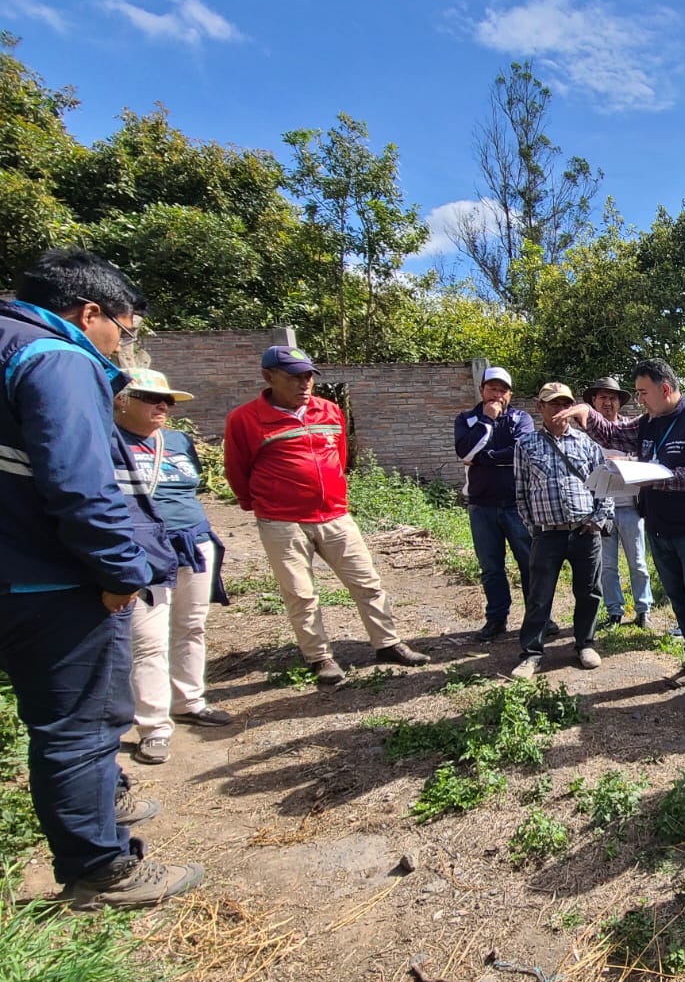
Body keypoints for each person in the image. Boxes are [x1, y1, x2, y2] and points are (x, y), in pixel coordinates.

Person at [0, 248, 203, 910]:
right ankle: (100, 869)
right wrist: (119, 571)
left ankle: (98, 812)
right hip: (51, 579)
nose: (123, 343)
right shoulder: (56, 357)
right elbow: (81, 484)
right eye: (123, 327)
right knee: (80, 724)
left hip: (20, 571)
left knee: (63, 723)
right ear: (90, 313)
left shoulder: (10, 344)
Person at [223, 345, 429, 685]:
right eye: (294, 377)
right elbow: (237, 470)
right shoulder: (245, 420)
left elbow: (340, 457)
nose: (305, 384)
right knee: (301, 593)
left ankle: (388, 643)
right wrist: (259, 504)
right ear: (268, 377)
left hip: (334, 515)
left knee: (367, 582)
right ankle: (319, 658)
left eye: (308, 376)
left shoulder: (329, 411)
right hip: (282, 520)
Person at [555, 358, 685, 708]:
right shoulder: (648, 422)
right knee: (679, 598)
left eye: (643, 393)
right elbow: (615, 433)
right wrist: (586, 414)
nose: (639, 401)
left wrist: (653, 477)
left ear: (665, 389)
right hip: (660, 526)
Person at [116, 368, 233, 765]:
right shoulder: (106, 441)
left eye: (166, 400)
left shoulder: (179, 441)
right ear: (121, 399)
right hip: (143, 549)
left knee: (191, 625)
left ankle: (190, 701)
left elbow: (192, 486)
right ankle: (153, 726)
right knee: (147, 638)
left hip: (194, 541)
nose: (162, 406)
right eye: (150, 398)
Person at [511, 383, 613, 677]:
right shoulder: (525, 445)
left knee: (590, 592)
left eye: (564, 404)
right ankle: (531, 654)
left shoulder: (587, 444)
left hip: (585, 531)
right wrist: (536, 530)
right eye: (552, 404)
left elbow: (603, 487)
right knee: (539, 595)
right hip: (548, 533)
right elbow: (521, 493)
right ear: (540, 407)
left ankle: (585, 644)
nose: (559, 410)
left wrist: (598, 520)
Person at [455, 366, 535, 641]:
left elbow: (522, 452)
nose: (497, 395)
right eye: (493, 389)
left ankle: (538, 618)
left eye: (503, 390)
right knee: (491, 567)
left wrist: (482, 457)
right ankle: (497, 619)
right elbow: (464, 451)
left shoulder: (521, 419)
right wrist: (486, 422)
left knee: (529, 563)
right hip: (481, 505)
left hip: (517, 504)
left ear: (510, 394)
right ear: (482, 390)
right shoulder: (467, 420)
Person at [584, 376, 652, 629]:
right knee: (608, 565)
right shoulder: (587, 436)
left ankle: (643, 610)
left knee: (638, 562)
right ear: (593, 401)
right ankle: (615, 612)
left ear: (619, 403)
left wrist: (626, 463)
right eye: (603, 397)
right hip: (601, 510)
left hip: (631, 507)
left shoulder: (632, 432)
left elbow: (647, 462)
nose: (608, 403)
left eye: (612, 398)